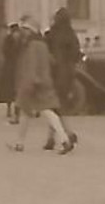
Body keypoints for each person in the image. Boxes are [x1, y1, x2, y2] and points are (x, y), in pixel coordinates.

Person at [10, 16, 73, 154]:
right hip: (43, 81)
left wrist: (29, 83)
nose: (22, 32)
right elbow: (52, 62)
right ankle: (19, 143)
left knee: (45, 112)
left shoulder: (32, 46)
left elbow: (32, 66)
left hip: (33, 83)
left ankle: (64, 140)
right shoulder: (42, 45)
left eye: (25, 29)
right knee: (29, 113)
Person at [0, 23, 21, 124]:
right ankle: (10, 109)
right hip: (11, 67)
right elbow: (5, 51)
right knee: (10, 90)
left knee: (16, 90)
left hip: (15, 67)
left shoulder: (19, 40)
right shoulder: (9, 40)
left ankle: (16, 110)